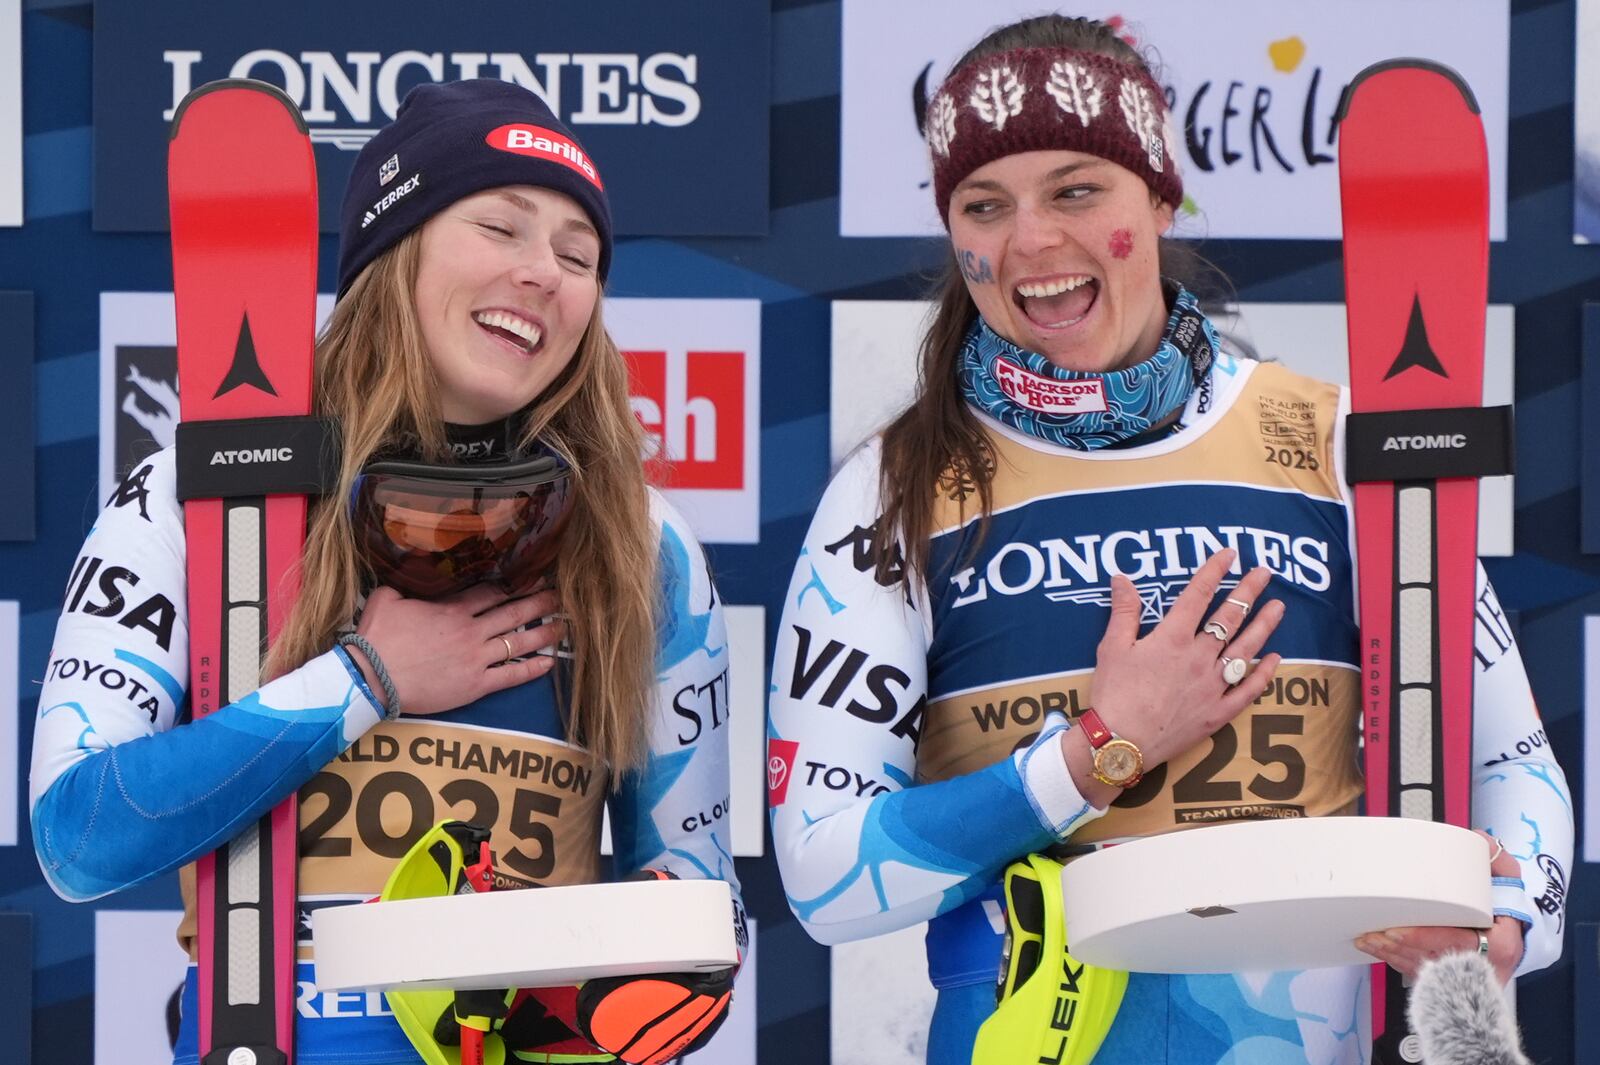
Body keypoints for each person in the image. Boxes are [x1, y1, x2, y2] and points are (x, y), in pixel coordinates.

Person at [768, 15, 1570, 1065]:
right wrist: (1097, 754)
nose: (1029, 242)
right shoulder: (896, 486)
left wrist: (1501, 916)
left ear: (1156, 193)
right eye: (984, 205)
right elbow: (826, 878)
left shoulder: (1328, 440)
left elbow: (1513, 762)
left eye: (1074, 190)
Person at [31, 79, 742, 1065]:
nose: (545, 272)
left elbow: (703, 910)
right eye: (501, 225)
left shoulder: (642, 543)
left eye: (578, 257)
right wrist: (365, 682)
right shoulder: (196, 498)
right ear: (393, 247)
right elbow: (78, 838)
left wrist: (635, 993)